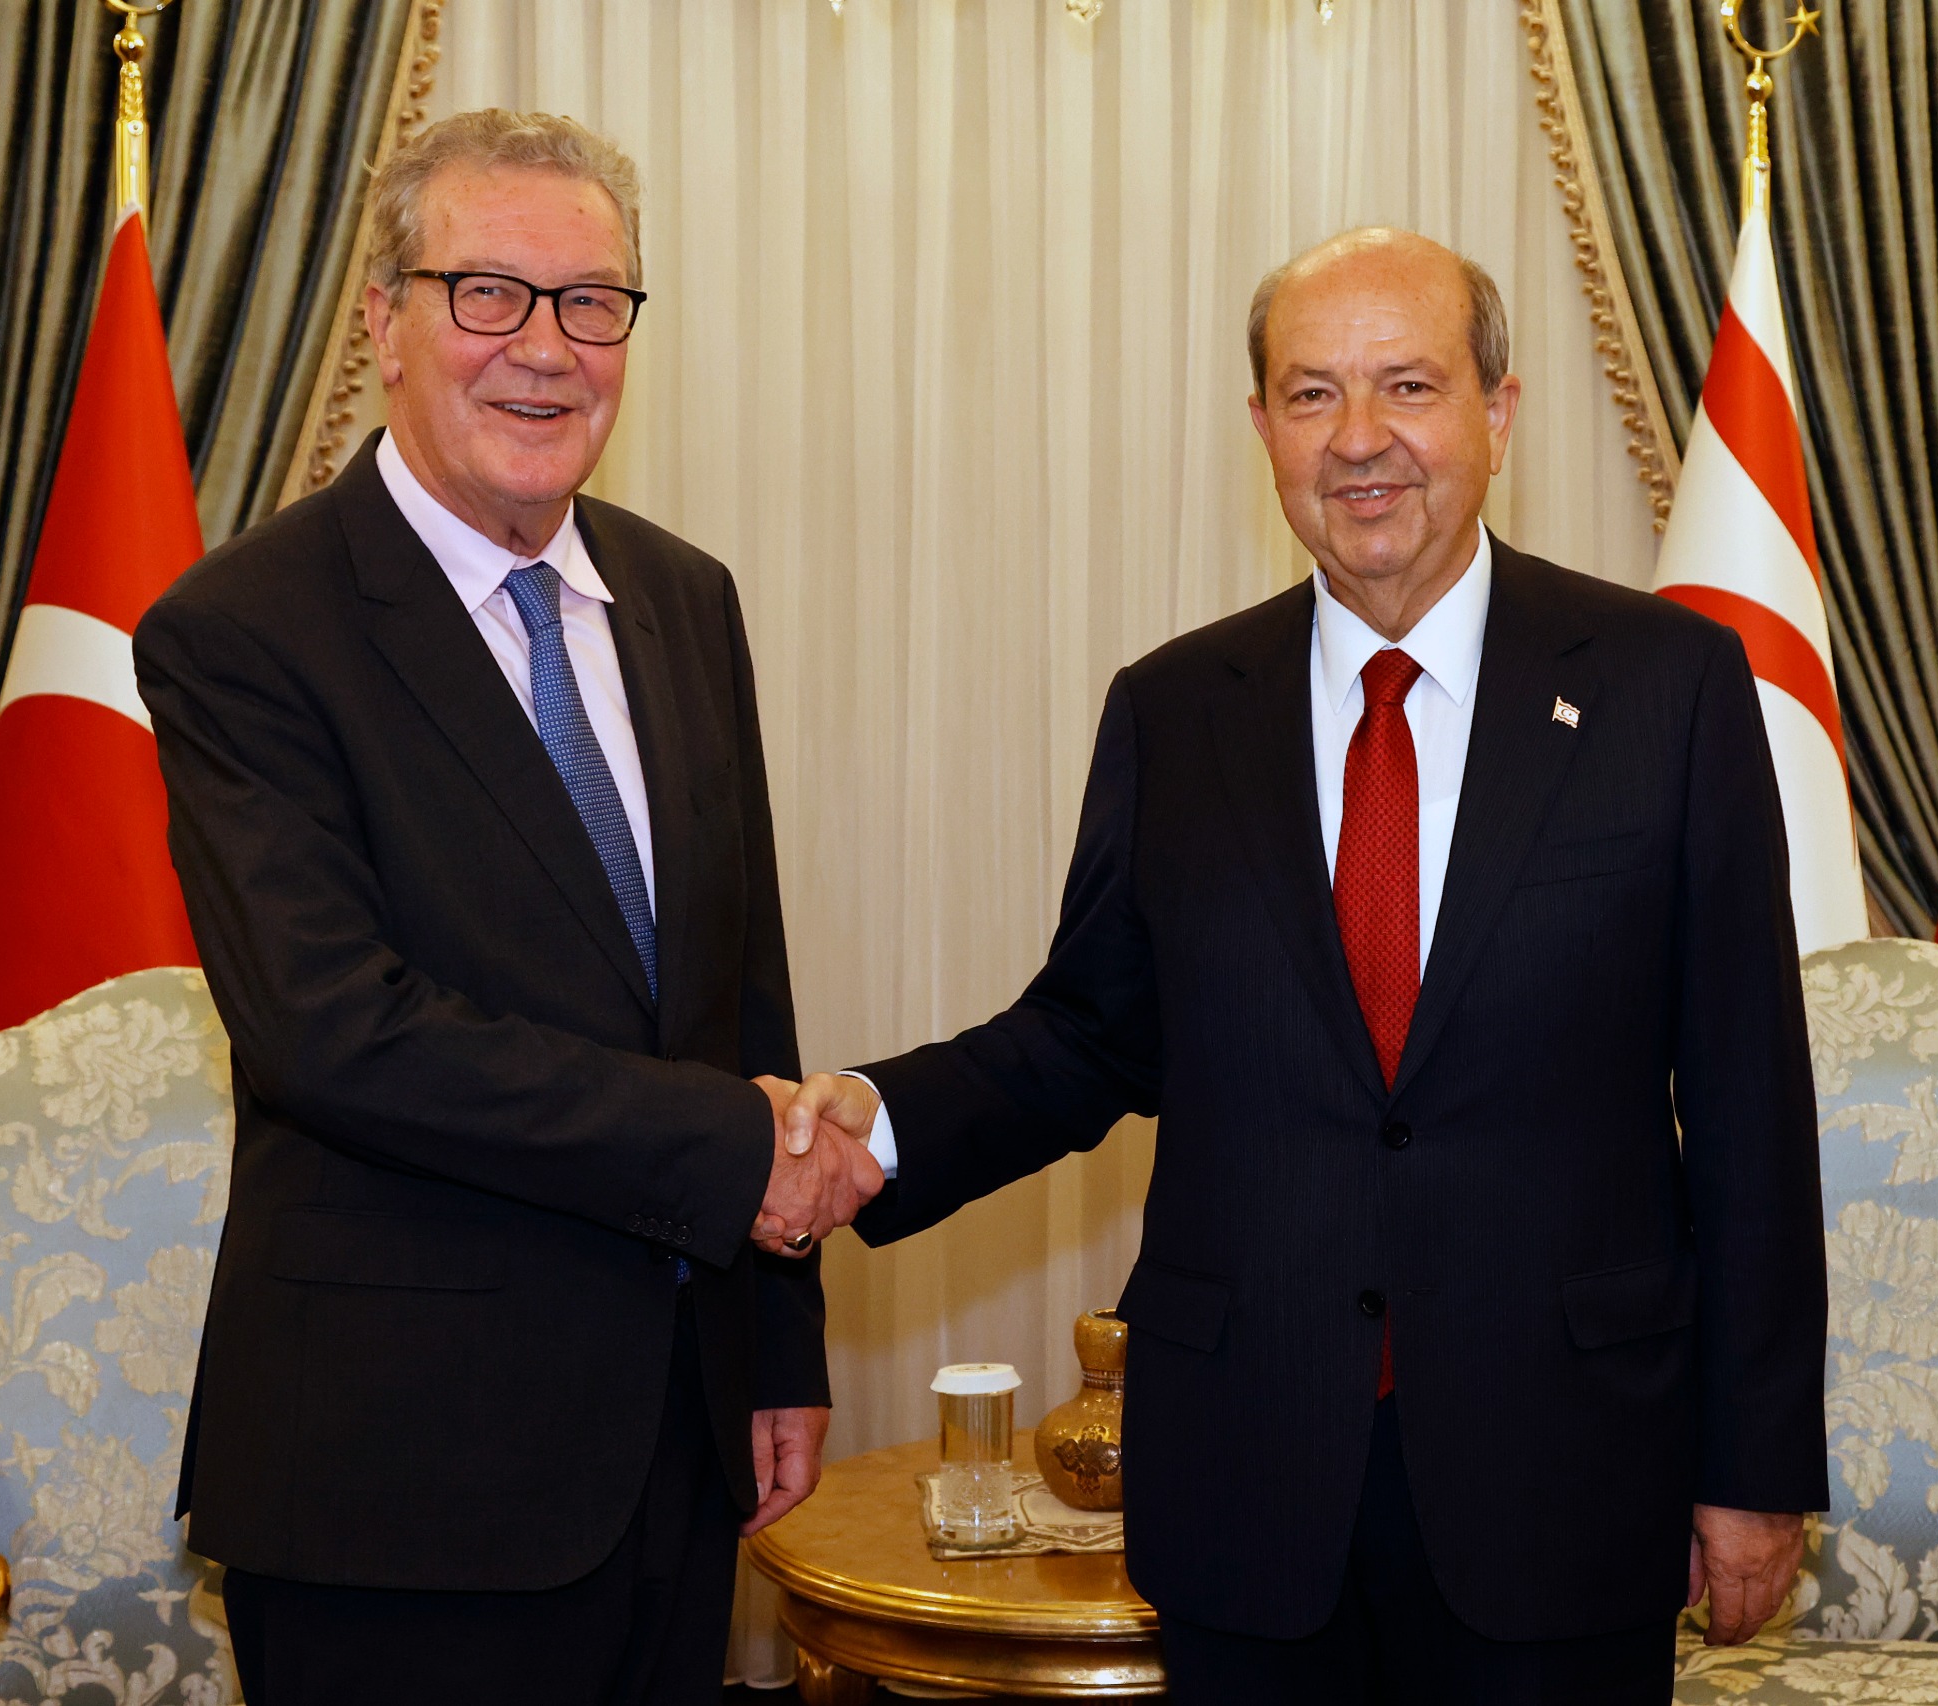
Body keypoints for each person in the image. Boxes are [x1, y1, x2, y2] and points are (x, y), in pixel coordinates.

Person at [779, 228, 1827, 1704]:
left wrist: (1755, 1462)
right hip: (1252, 1469)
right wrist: (874, 1126)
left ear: (1499, 413)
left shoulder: (1669, 687)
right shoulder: (1175, 711)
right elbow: (1088, 1033)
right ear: (1262, 428)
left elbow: (1748, 1104)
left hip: (1564, 1463)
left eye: (1409, 385)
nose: (1360, 438)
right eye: (1312, 393)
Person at [134, 110, 879, 1705]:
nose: (545, 348)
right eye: (487, 292)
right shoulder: (243, 630)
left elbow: (741, 991)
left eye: (591, 301)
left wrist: (776, 1341)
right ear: (384, 323)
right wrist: (731, 1146)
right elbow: (336, 1030)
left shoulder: (683, 597)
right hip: (398, 1485)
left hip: (678, 1450)